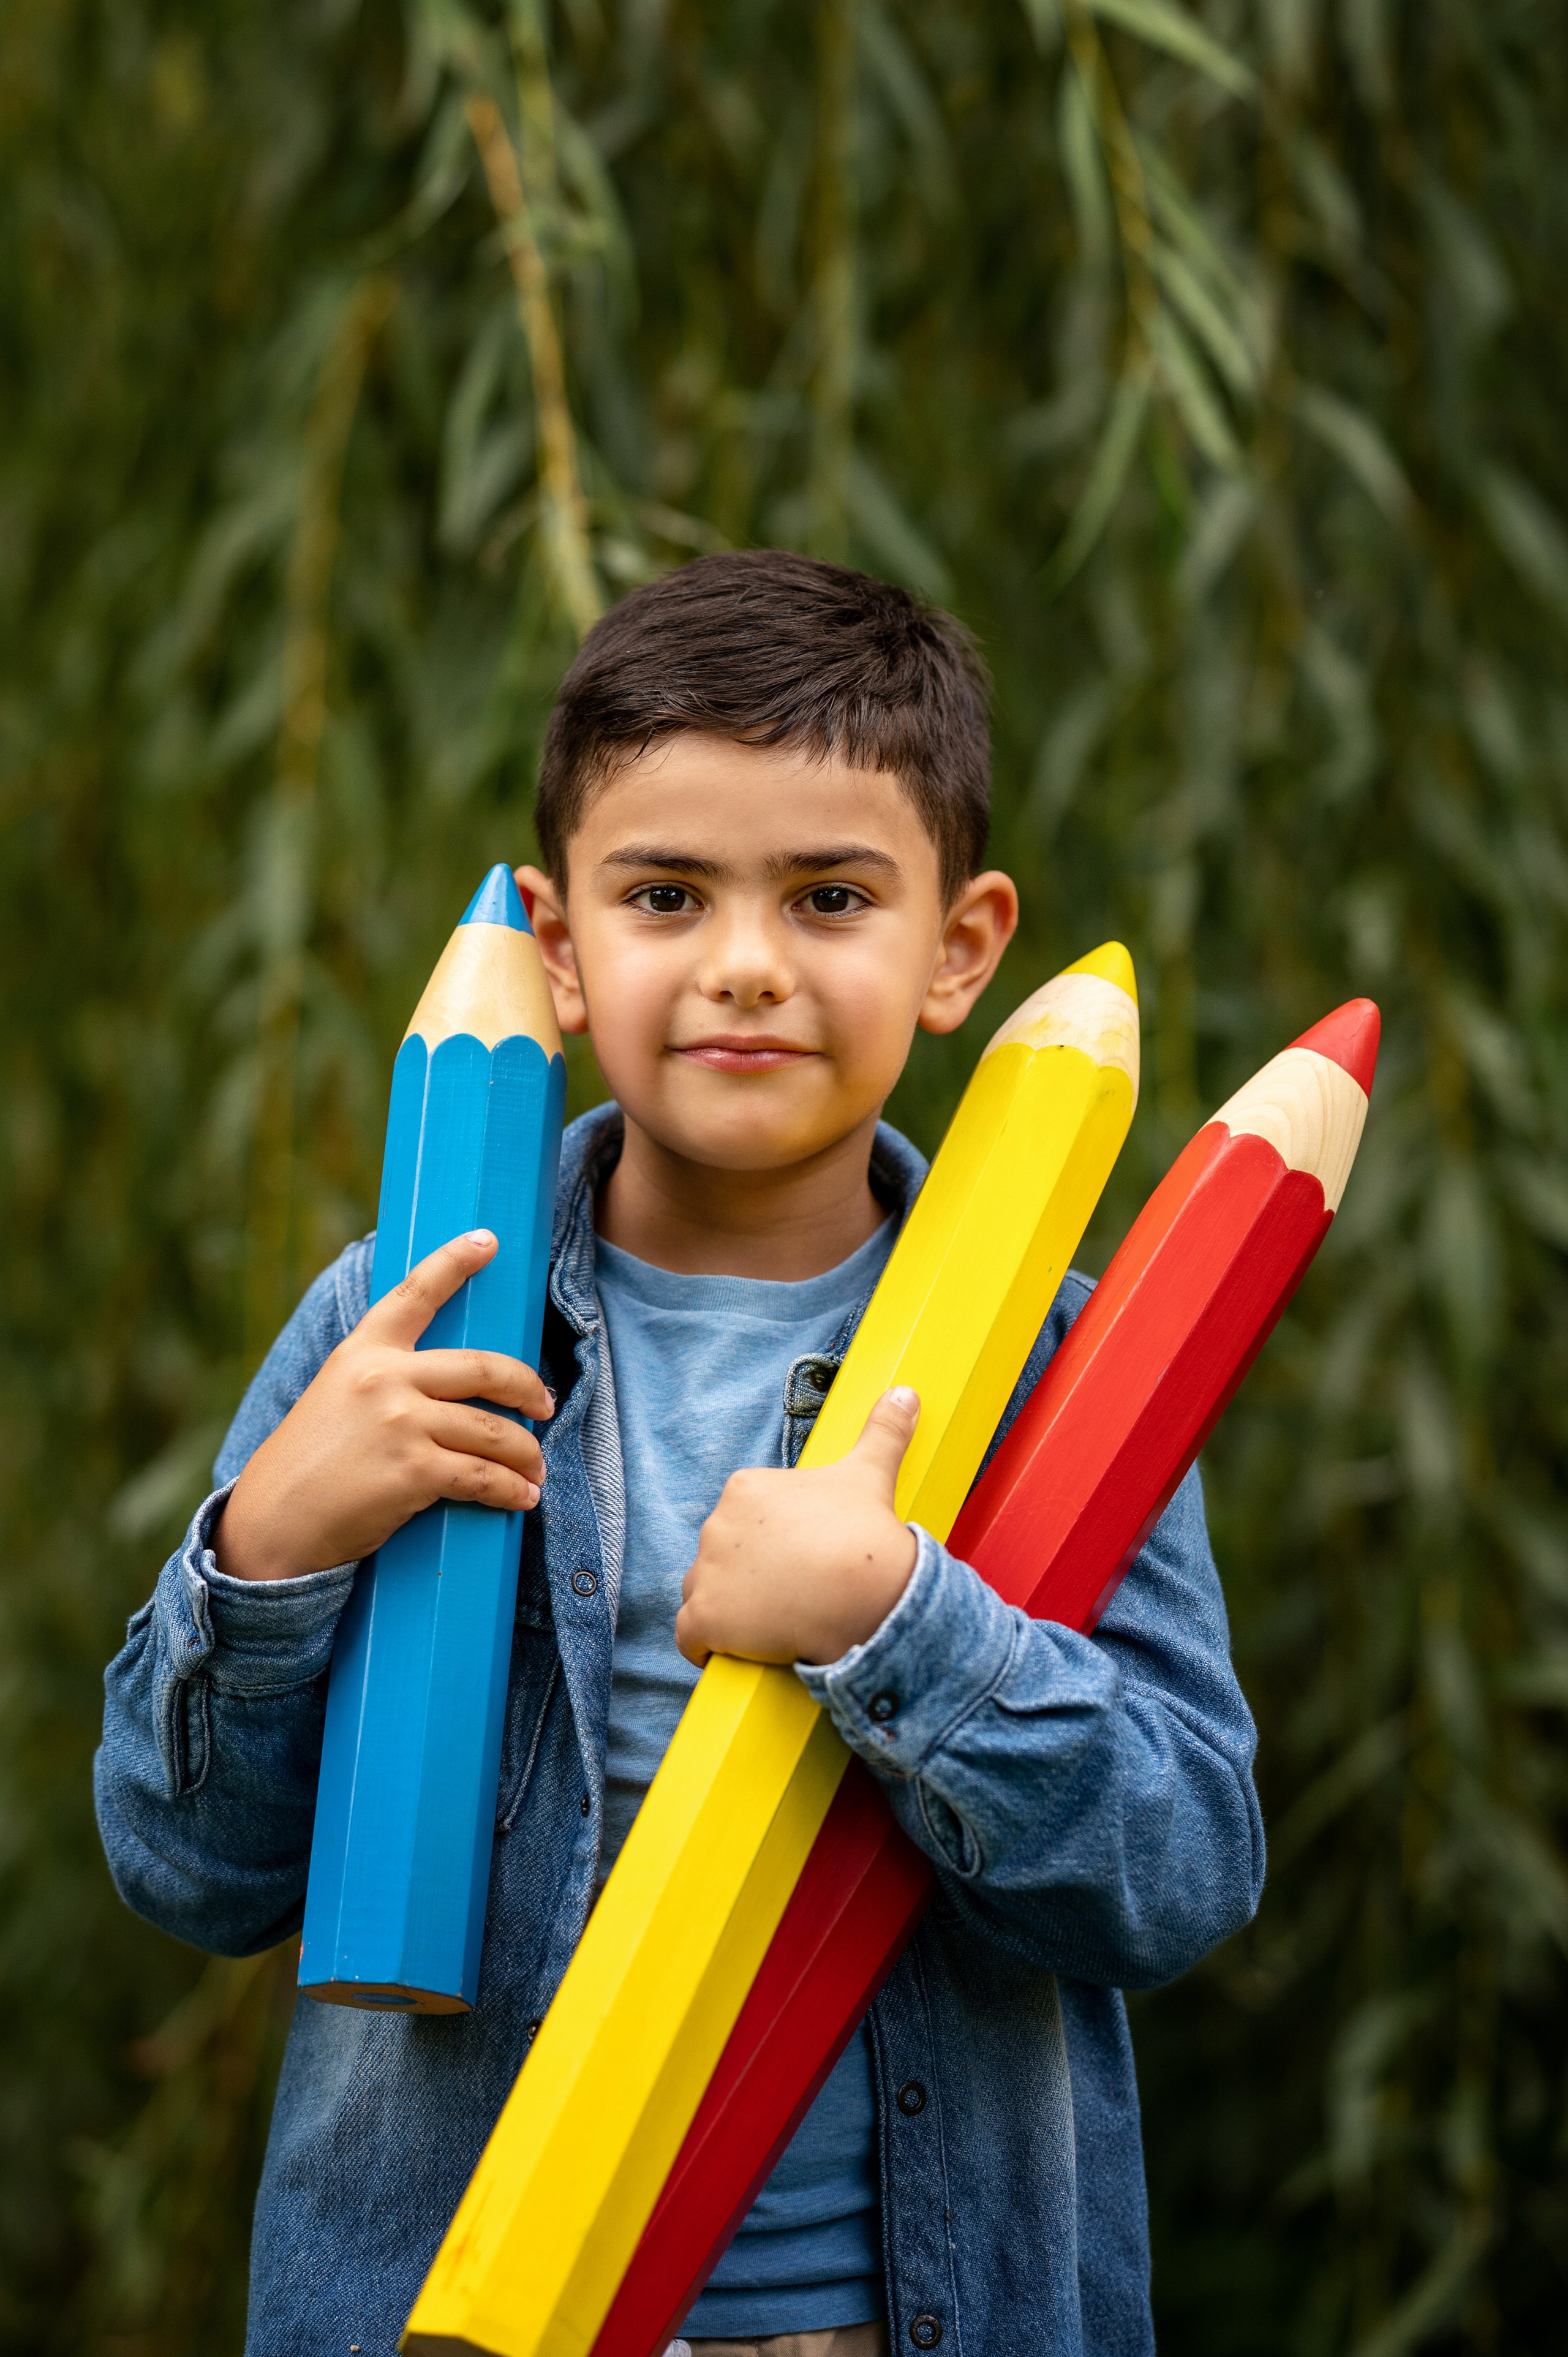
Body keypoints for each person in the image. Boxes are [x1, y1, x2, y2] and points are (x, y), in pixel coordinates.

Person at [96, 551, 1264, 2357]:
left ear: (960, 949)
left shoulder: (1070, 1374)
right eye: (664, 895)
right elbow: (188, 1867)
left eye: (830, 898)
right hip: (447, 2305)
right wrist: (270, 1548)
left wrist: (902, 1627)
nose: (744, 968)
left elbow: (1178, 1873)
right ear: (560, 947)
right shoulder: (396, 1319)